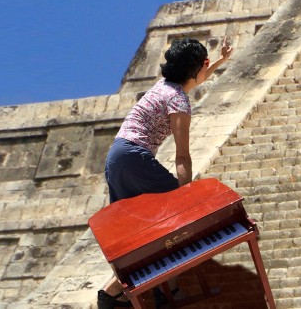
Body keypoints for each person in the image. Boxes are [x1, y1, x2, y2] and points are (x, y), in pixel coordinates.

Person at [97, 37, 232, 309]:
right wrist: (187, 197)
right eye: (205, 65)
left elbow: (197, 79)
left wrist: (221, 61)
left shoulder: (164, 86)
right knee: (177, 221)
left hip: (116, 158)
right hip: (136, 158)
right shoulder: (179, 102)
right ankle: (137, 290)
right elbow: (182, 155)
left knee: (141, 232)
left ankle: (127, 292)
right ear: (199, 65)